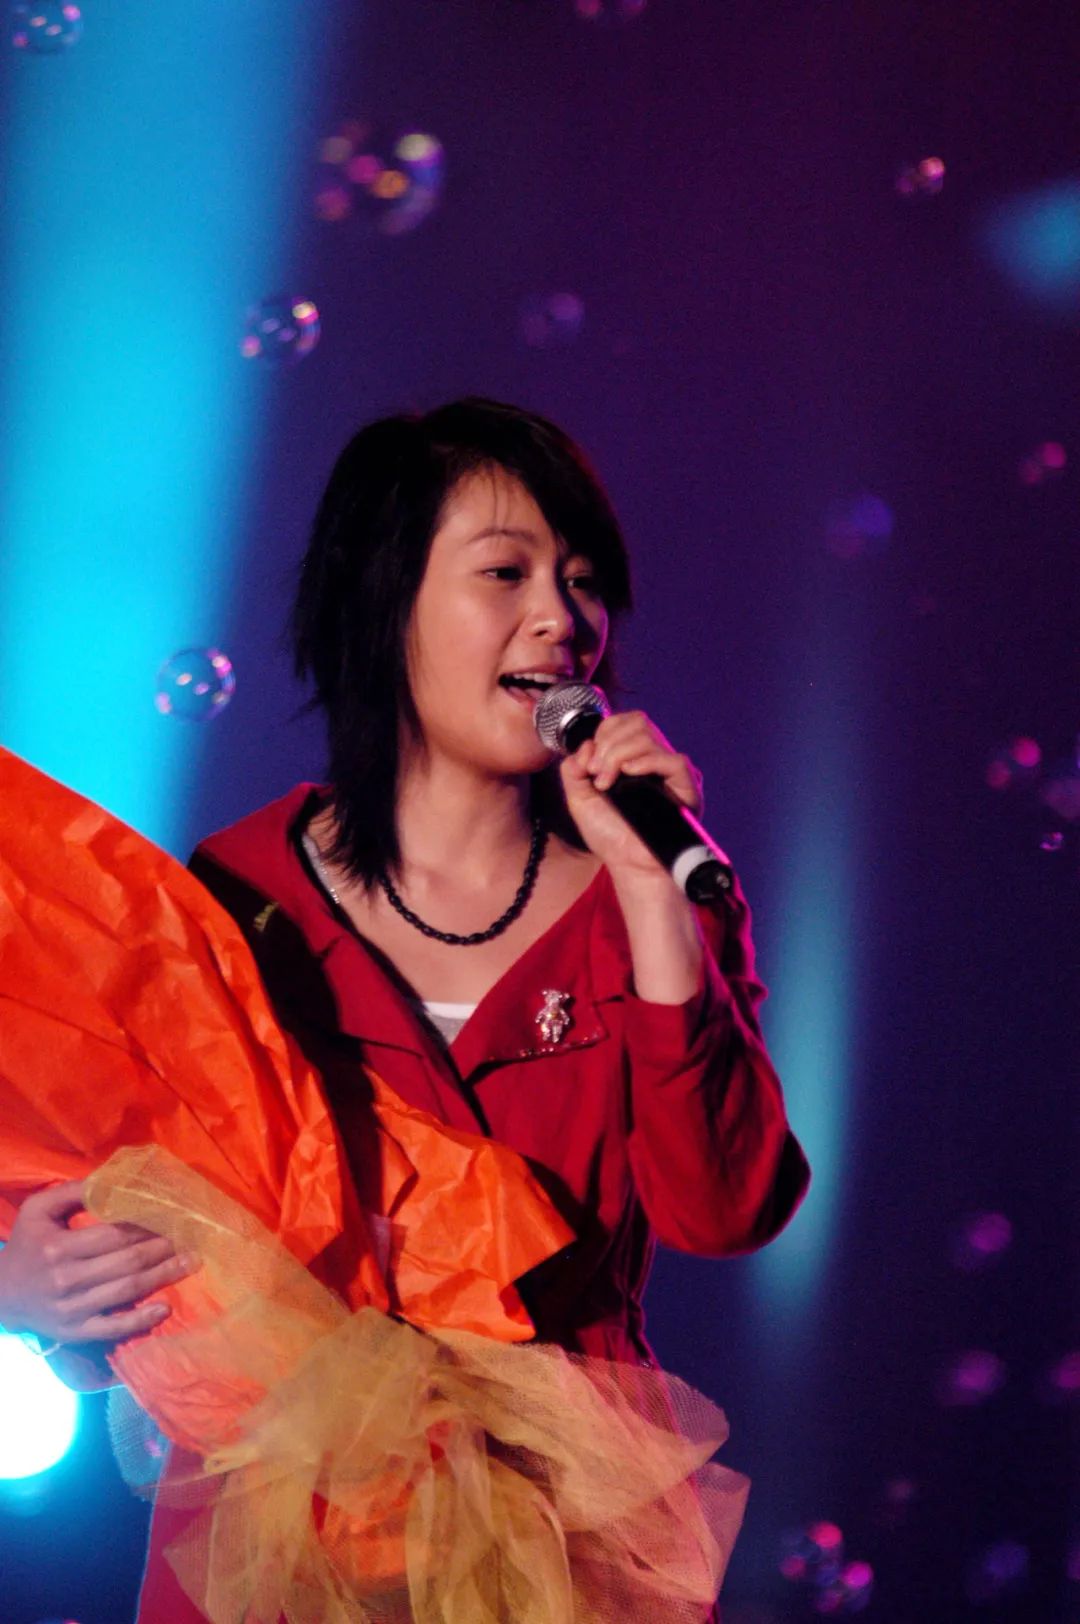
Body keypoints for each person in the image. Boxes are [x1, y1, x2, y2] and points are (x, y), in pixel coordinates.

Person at [0, 396, 810, 1621]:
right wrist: (32, 1285)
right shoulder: (243, 896)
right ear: (387, 604)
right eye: (507, 572)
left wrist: (656, 901)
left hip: (560, 1536)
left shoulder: (653, 900)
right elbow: (145, 1201)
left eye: (582, 581)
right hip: (287, 1532)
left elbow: (726, 1208)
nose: (563, 618)